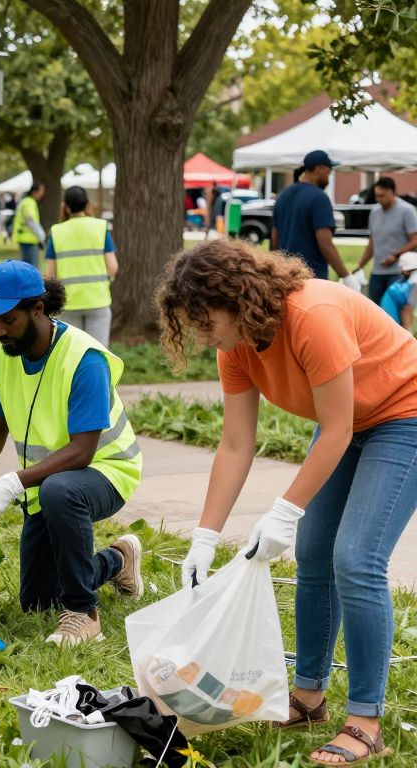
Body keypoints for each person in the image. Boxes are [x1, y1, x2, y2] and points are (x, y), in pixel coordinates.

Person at [159, 240, 417, 767]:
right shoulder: (235, 346)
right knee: (314, 556)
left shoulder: (312, 315)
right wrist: (205, 536)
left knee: (356, 560)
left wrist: (284, 509)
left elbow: (338, 428)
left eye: (205, 320)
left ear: (235, 298)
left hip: (404, 415)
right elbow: (236, 445)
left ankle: (366, 720)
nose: (203, 333)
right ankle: (308, 698)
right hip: (349, 424)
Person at [0, 260, 143, 647]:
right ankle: (119, 559)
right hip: (49, 483)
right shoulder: (3, 353)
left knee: (60, 491)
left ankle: (83, 614)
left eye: (8, 319)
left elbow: (83, 451)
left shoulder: (84, 357)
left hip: (107, 472)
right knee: (37, 601)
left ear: (37, 309)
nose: (0, 330)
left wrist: (12, 481)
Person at [272, 150, 361, 289]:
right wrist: (346, 276)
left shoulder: (283, 196)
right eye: (328, 171)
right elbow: (325, 244)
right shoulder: (319, 198)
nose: (329, 176)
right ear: (319, 169)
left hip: (286, 278)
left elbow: (274, 240)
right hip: (311, 280)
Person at [44, 186, 118, 347]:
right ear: (86, 204)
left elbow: (50, 274)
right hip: (98, 300)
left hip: (69, 302)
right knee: (98, 353)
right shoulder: (100, 227)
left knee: (73, 354)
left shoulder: (56, 232)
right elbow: (112, 268)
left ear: (66, 206)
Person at [355, 177, 417, 307]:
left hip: (398, 273)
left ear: (391, 192)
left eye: (382, 196)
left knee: (395, 312)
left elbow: (415, 240)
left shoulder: (407, 210)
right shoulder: (375, 212)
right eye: (377, 196)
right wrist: (359, 266)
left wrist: (396, 255)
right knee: (375, 311)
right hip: (377, 272)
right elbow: (372, 242)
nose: (378, 199)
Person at [379, 250, 417, 330]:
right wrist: (409, 338)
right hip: (392, 326)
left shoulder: (402, 285)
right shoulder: (409, 286)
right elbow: (407, 311)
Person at [13, 182, 46, 266]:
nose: (42, 194)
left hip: (24, 238)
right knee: (32, 268)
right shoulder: (29, 203)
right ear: (35, 191)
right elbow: (31, 220)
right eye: (41, 191)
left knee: (26, 267)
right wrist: (41, 236)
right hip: (29, 239)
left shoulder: (25, 201)